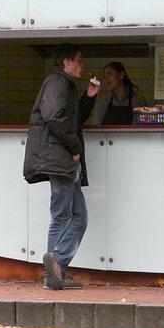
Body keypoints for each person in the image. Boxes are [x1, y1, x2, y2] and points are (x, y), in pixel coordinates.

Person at [23, 44, 100, 290]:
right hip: (60, 159)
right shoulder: (57, 83)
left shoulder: (63, 84)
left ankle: (55, 271)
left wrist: (88, 96)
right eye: (79, 59)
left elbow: (70, 119)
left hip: (62, 160)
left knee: (76, 216)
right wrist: (75, 147)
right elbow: (54, 117)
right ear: (66, 61)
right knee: (65, 216)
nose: (82, 64)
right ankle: (55, 267)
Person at [90, 61, 147, 125]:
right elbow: (96, 127)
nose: (106, 79)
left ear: (121, 75)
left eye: (110, 74)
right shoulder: (103, 102)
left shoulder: (137, 100)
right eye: (105, 76)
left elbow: (139, 129)